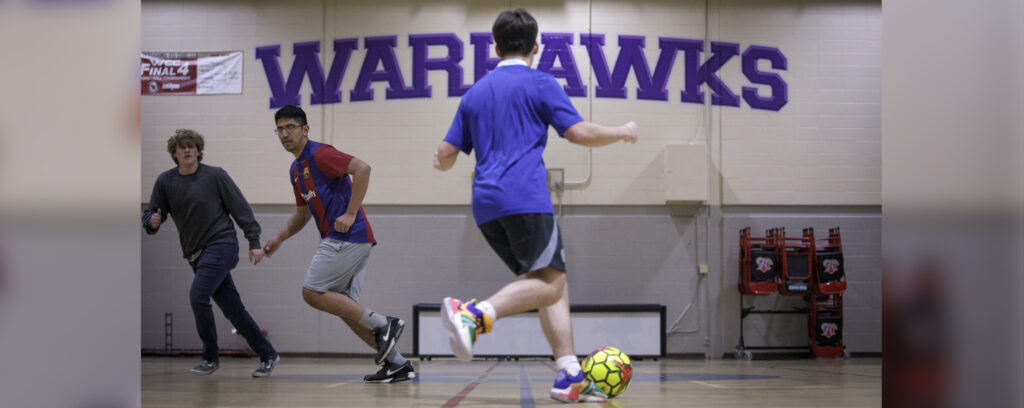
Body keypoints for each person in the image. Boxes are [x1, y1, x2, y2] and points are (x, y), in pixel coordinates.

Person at [433, 8, 639, 403]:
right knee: (552, 282)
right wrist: (622, 132)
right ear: (536, 48)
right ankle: (474, 315)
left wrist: (441, 161)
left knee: (549, 282)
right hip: (525, 197)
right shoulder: (541, 83)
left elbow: (445, 153)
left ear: (494, 47)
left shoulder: (474, 93)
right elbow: (578, 133)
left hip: (486, 206)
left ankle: (569, 373)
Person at [261, 105, 414, 383]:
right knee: (345, 309)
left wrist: (351, 212)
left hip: (348, 234)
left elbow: (363, 169)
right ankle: (398, 364)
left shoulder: (319, 153)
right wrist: (279, 238)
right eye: (280, 129)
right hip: (352, 238)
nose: (284, 134)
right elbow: (302, 214)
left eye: (290, 127)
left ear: (305, 129)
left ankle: (385, 323)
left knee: (312, 292)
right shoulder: (296, 169)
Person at [143, 129, 280, 377]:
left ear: (198, 150)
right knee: (234, 311)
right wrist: (150, 222)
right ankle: (268, 354)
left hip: (222, 245)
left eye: (192, 146)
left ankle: (210, 357)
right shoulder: (166, 182)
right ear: (174, 153)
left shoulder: (215, 176)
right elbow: (152, 214)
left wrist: (254, 241)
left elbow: (240, 208)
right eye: (182, 147)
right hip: (195, 254)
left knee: (197, 296)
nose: (187, 150)